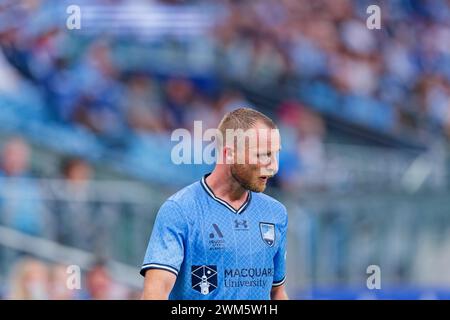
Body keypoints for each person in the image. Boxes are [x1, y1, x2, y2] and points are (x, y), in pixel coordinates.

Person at [141, 108, 288, 300]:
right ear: (229, 154)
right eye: (263, 155)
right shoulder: (180, 210)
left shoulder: (275, 212)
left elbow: (277, 292)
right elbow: (155, 293)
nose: (274, 167)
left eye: (276, 154)